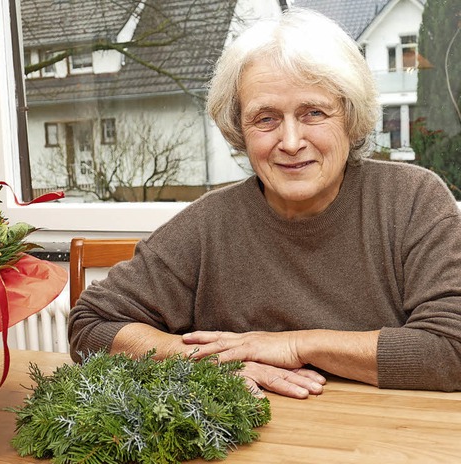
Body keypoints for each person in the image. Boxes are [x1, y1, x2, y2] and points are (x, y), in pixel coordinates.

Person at [67, 8, 461, 399]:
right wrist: (211, 362)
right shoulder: (210, 223)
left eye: (313, 113)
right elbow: (91, 324)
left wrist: (295, 345)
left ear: (350, 117)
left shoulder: (412, 200)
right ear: (240, 129)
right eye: (266, 119)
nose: (290, 142)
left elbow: (452, 349)